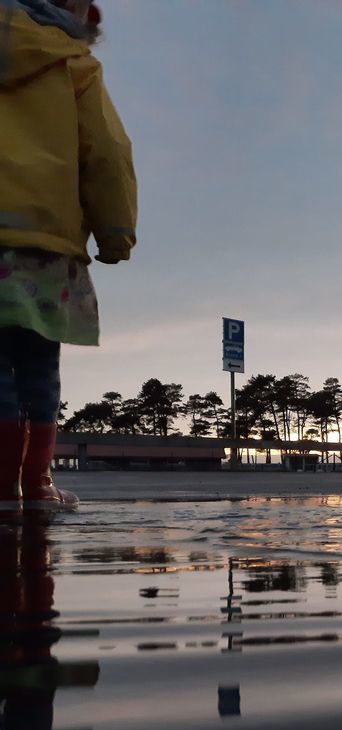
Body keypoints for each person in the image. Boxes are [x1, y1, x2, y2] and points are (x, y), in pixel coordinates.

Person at [0, 0, 136, 511]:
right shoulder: (73, 64)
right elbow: (107, 152)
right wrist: (116, 232)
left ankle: (1, 484)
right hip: (44, 246)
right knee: (36, 364)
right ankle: (33, 485)